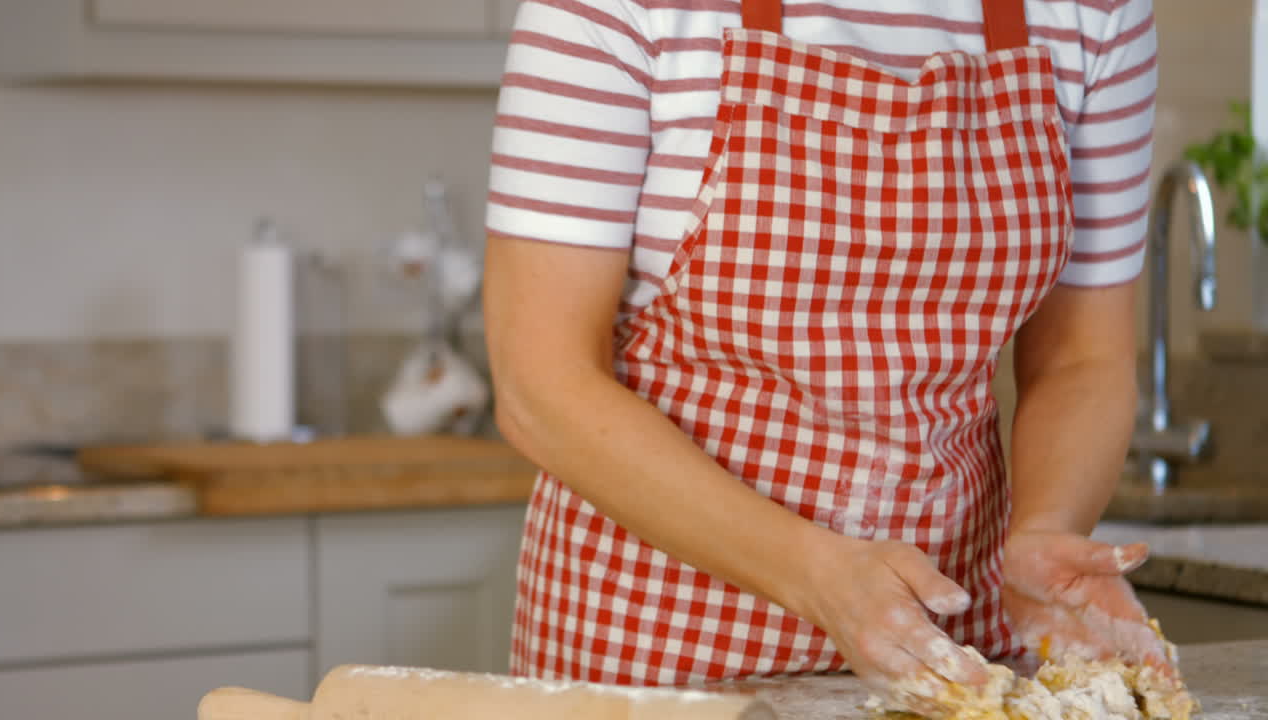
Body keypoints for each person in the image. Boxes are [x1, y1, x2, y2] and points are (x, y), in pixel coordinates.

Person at [481, 0, 1168, 707]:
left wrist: (1046, 526)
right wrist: (815, 573)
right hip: (651, 649)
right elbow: (542, 384)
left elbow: (1081, 358)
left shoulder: (1096, 13)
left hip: (948, 642)